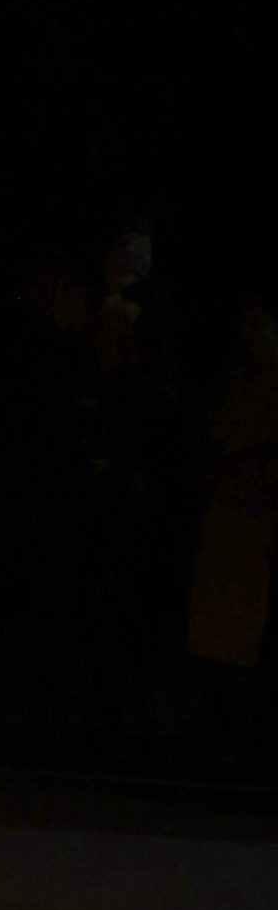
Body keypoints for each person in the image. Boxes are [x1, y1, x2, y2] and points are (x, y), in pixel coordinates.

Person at [187, 294, 278, 759]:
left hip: (258, 531)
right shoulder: (228, 388)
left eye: (259, 326)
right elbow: (206, 448)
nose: (250, 337)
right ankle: (218, 735)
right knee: (218, 636)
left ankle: (249, 738)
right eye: (246, 326)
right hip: (228, 528)